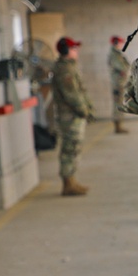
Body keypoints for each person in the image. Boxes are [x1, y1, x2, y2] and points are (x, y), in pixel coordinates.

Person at [51, 36, 94, 197]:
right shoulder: (64, 70)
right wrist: (84, 110)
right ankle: (68, 183)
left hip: (73, 115)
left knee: (74, 148)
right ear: (66, 51)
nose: (76, 52)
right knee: (69, 148)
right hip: (69, 116)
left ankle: (72, 180)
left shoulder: (69, 67)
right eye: (74, 49)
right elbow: (72, 95)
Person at [107, 35, 130, 134]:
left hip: (119, 82)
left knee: (119, 103)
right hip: (117, 83)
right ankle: (118, 126)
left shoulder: (117, 54)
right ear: (116, 43)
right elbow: (123, 67)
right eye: (120, 42)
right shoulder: (115, 55)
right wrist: (124, 68)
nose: (122, 44)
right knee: (118, 104)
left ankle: (119, 125)